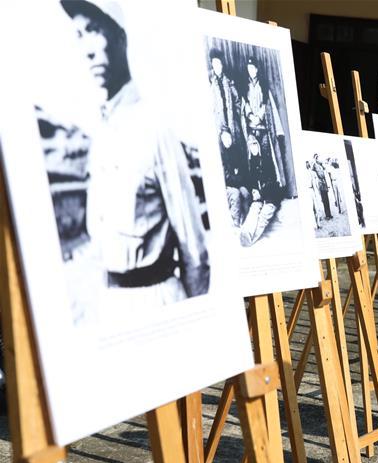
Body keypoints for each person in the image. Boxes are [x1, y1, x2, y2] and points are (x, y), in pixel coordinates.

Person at [61, 0, 209, 321]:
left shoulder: (155, 128)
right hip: (110, 305)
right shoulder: (101, 132)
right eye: (79, 35)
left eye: (94, 30)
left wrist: (195, 330)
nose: (87, 50)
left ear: (119, 37)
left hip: (155, 302)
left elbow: (195, 252)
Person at [241, 56, 286, 194]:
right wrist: (250, 116)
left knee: (266, 157)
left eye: (253, 68)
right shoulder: (245, 86)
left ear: (257, 69)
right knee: (255, 158)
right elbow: (245, 104)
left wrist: (259, 117)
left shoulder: (263, 86)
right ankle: (258, 190)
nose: (251, 71)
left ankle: (271, 190)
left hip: (263, 128)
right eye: (249, 69)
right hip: (252, 128)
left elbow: (266, 104)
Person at [209, 48, 242, 147]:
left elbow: (237, 100)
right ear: (212, 66)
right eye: (215, 64)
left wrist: (236, 116)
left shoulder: (228, 81)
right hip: (219, 124)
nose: (217, 67)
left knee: (236, 146)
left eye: (219, 64)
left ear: (222, 65)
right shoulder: (210, 83)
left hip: (231, 121)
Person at [219, 128, 251, 227]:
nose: (227, 140)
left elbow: (243, 170)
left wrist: (238, 178)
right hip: (227, 186)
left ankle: (246, 221)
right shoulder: (220, 155)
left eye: (228, 137)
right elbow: (226, 177)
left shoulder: (236, 151)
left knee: (245, 194)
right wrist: (236, 177)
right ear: (221, 140)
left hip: (238, 183)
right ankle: (235, 223)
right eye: (224, 138)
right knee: (235, 194)